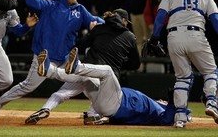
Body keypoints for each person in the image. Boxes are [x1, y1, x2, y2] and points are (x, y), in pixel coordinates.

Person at [0, 0, 104, 121]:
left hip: (67, 57)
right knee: (27, 87)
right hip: (45, 56)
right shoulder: (50, 6)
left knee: (89, 79)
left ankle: (96, 111)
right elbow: (31, 0)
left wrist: (110, 22)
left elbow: (95, 20)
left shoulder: (80, 10)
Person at [24, 9, 141, 125]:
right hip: (103, 80)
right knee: (100, 101)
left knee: (61, 93)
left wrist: (92, 31)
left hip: (87, 69)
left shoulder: (99, 29)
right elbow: (135, 64)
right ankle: (92, 115)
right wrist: (120, 61)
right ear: (124, 20)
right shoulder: (130, 36)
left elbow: (81, 45)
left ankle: (46, 104)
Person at [147, 0, 218, 128]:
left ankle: (180, 118)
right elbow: (215, 19)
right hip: (196, 34)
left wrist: (154, 39)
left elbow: (160, 18)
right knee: (210, 71)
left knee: (183, 77)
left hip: (174, 37)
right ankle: (212, 102)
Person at [60, 47, 191, 126]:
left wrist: (174, 103)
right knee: (87, 78)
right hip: (120, 102)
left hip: (123, 103)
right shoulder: (157, 107)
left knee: (107, 71)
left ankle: (76, 67)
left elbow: (166, 120)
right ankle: (52, 71)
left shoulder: (160, 113)